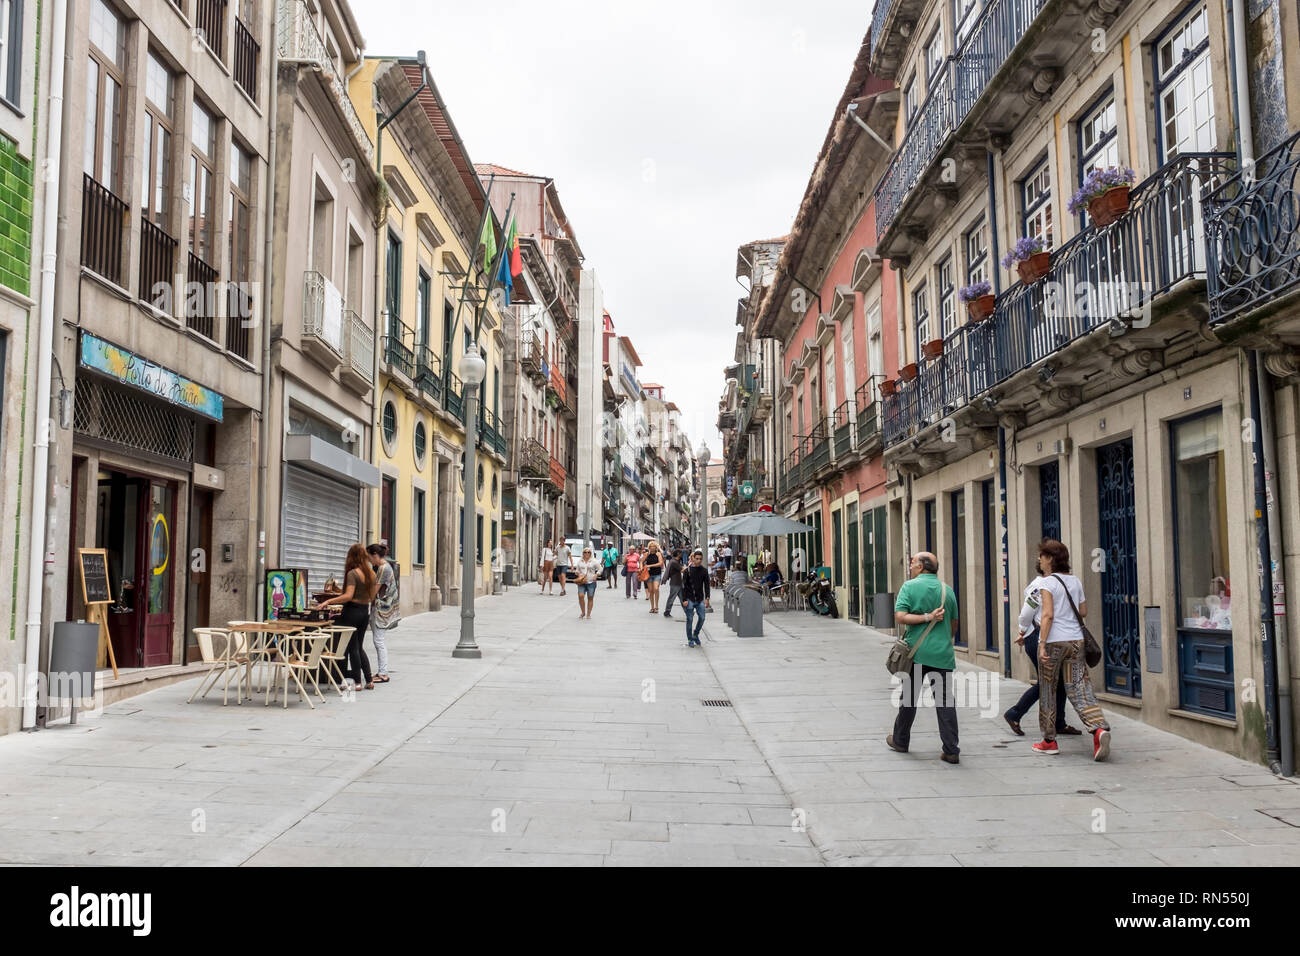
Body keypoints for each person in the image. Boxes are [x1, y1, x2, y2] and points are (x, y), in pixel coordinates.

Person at [1033, 539, 1111, 760]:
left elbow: (1048, 615)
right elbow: (1083, 610)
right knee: (1080, 688)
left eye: (1042, 556)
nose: (1040, 560)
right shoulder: (1074, 581)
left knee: (1048, 689)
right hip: (1077, 642)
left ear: (1049, 559)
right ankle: (1098, 729)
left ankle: (1048, 741)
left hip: (1054, 642)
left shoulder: (1047, 583)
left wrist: (1041, 644)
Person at [887, 552, 960, 763]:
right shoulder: (947, 591)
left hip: (916, 653)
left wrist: (925, 617)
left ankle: (900, 740)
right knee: (945, 701)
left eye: (913, 562)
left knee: (909, 699)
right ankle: (951, 749)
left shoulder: (909, 587)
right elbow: (954, 624)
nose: (910, 565)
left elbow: (900, 617)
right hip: (942, 654)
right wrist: (942, 640)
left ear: (922, 566)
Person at [1003, 565, 1078, 737]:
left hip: (1050, 638)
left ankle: (1059, 723)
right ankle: (1014, 714)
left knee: (1057, 682)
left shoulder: (1056, 584)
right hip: (1038, 638)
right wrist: (1024, 632)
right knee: (1047, 682)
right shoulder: (1040, 586)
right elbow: (1025, 615)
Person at [314, 543, 376, 691]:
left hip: (352, 613)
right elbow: (372, 596)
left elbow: (348, 596)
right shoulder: (371, 574)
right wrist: (339, 591)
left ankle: (356, 682)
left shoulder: (353, 573)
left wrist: (328, 601)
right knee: (359, 647)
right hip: (364, 612)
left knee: (352, 647)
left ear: (352, 556)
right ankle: (369, 680)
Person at [366, 543, 399, 683]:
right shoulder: (385, 567)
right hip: (383, 608)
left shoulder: (383, 569)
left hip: (382, 610)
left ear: (375, 555)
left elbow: (374, 591)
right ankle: (381, 671)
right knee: (378, 640)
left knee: (379, 641)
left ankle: (383, 673)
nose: (369, 561)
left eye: (369, 558)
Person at [681, 548, 711, 647]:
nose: (698, 561)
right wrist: (684, 599)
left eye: (700, 559)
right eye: (697, 558)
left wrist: (707, 598)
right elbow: (683, 586)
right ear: (693, 558)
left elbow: (706, 585)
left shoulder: (704, 571)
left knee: (702, 618)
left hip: (699, 599)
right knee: (689, 619)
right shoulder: (687, 571)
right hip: (689, 598)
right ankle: (690, 639)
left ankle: (696, 634)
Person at [575, 545, 603, 620]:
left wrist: (596, 575)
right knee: (581, 596)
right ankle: (583, 612)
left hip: (591, 582)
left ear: (591, 553)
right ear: (583, 553)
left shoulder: (594, 561)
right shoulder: (580, 561)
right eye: (585, 552)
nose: (587, 553)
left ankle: (588, 614)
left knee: (590, 597)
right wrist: (577, 573)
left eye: (588, 552)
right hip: (582, 582)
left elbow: (600, 569)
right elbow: (577, 570)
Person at [662, 549, 685, 619]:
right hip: (675, 583)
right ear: (678, 554)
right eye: (681, 553)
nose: (682, 554)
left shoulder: (675, 561)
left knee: (682, 598)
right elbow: (682, 570)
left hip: (678, 582)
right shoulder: (674, 562)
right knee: (672, 598)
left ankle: (688, 611)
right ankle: (667, 612)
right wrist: (689, 566)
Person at [643, 540, 664, 613]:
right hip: (649, 574)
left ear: (656, 547)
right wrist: (641, 568)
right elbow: (641, 561)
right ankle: (652, 607)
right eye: (651, 546)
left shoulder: (658, 554)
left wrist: (650, 565)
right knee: (651, 591)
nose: (652, 548)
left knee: (656, 588)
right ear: (649, 547)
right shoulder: (646, 554)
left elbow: (660, 563)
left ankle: (656, 606)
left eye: (654, 546)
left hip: (657, 574)